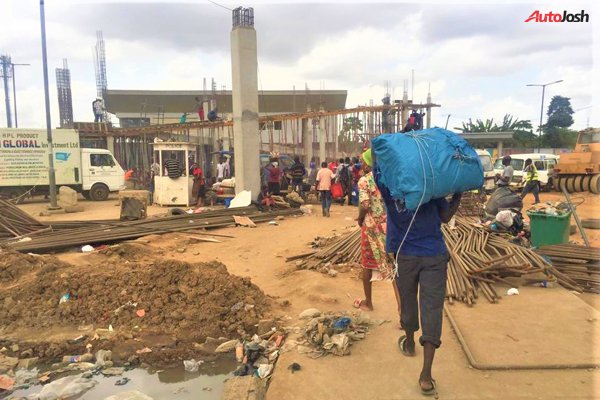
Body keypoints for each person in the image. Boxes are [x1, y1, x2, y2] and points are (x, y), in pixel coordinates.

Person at [375, 162, 462, 396]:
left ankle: (410, 342)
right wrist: (458, 194)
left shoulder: (393, 190)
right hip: (434, 255)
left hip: (407, 256)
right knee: (432, 309)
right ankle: (426, 375)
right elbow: (445, 217)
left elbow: (378, 171)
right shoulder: (430, 189)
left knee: (408, 299)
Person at [354, 149, 395, 312]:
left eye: (364, 160)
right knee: (393, 266)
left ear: (369, 162)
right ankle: (402, 309)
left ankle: (368, 302)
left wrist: (359, 218)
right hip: (388, 227)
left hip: (371, 227)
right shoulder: (388, 179)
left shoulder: (365, 180)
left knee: (367, 265)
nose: (362, 163)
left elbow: (365, 204)